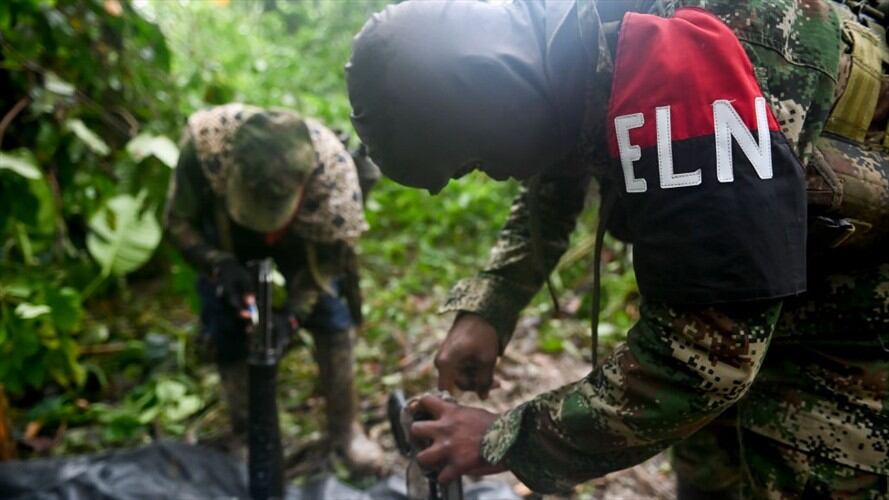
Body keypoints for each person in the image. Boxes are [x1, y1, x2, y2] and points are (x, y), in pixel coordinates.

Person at [346, 0, 889, 497]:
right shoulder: (564, 50)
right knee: (709, 465)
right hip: (762, 274)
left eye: (477, 160)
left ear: (499, 91)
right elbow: (552, 171)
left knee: (810, 467)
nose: (492, 173)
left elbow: (699, 363)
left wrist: (500, 439)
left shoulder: (690, 56)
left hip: (855, 302)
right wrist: (491, 304)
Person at [164, 103, 384, 473]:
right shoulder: (205, 147)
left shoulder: (333, 181)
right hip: (225, 232)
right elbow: (176, 220)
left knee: (331, 315)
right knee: (224, 319)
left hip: (303, 235)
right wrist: (217, 263)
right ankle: (249, 434)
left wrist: (294, 314)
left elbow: (330, 262)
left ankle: (346, 431)